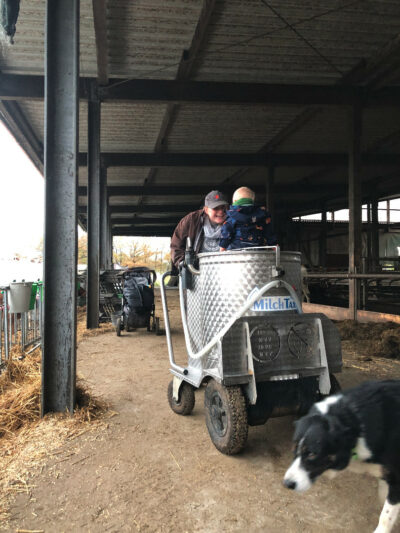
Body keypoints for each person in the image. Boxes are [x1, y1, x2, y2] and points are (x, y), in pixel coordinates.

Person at [170, 190, 229, 269]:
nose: (221, 211)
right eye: (216, 208)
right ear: (206, 209)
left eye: (223, 207)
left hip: (224, 270)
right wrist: (185, 266)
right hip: (197, 272)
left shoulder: (233, 221)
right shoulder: (191, 220)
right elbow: (176, 246)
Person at [219, 186, 277, 251]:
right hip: (258, 254)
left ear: (234, 201)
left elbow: (226, 232)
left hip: (237, 255)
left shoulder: (232, 216)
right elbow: (269, 232)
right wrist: (274, 244)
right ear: (252, 200)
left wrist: (222, 247)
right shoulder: (261, 215)